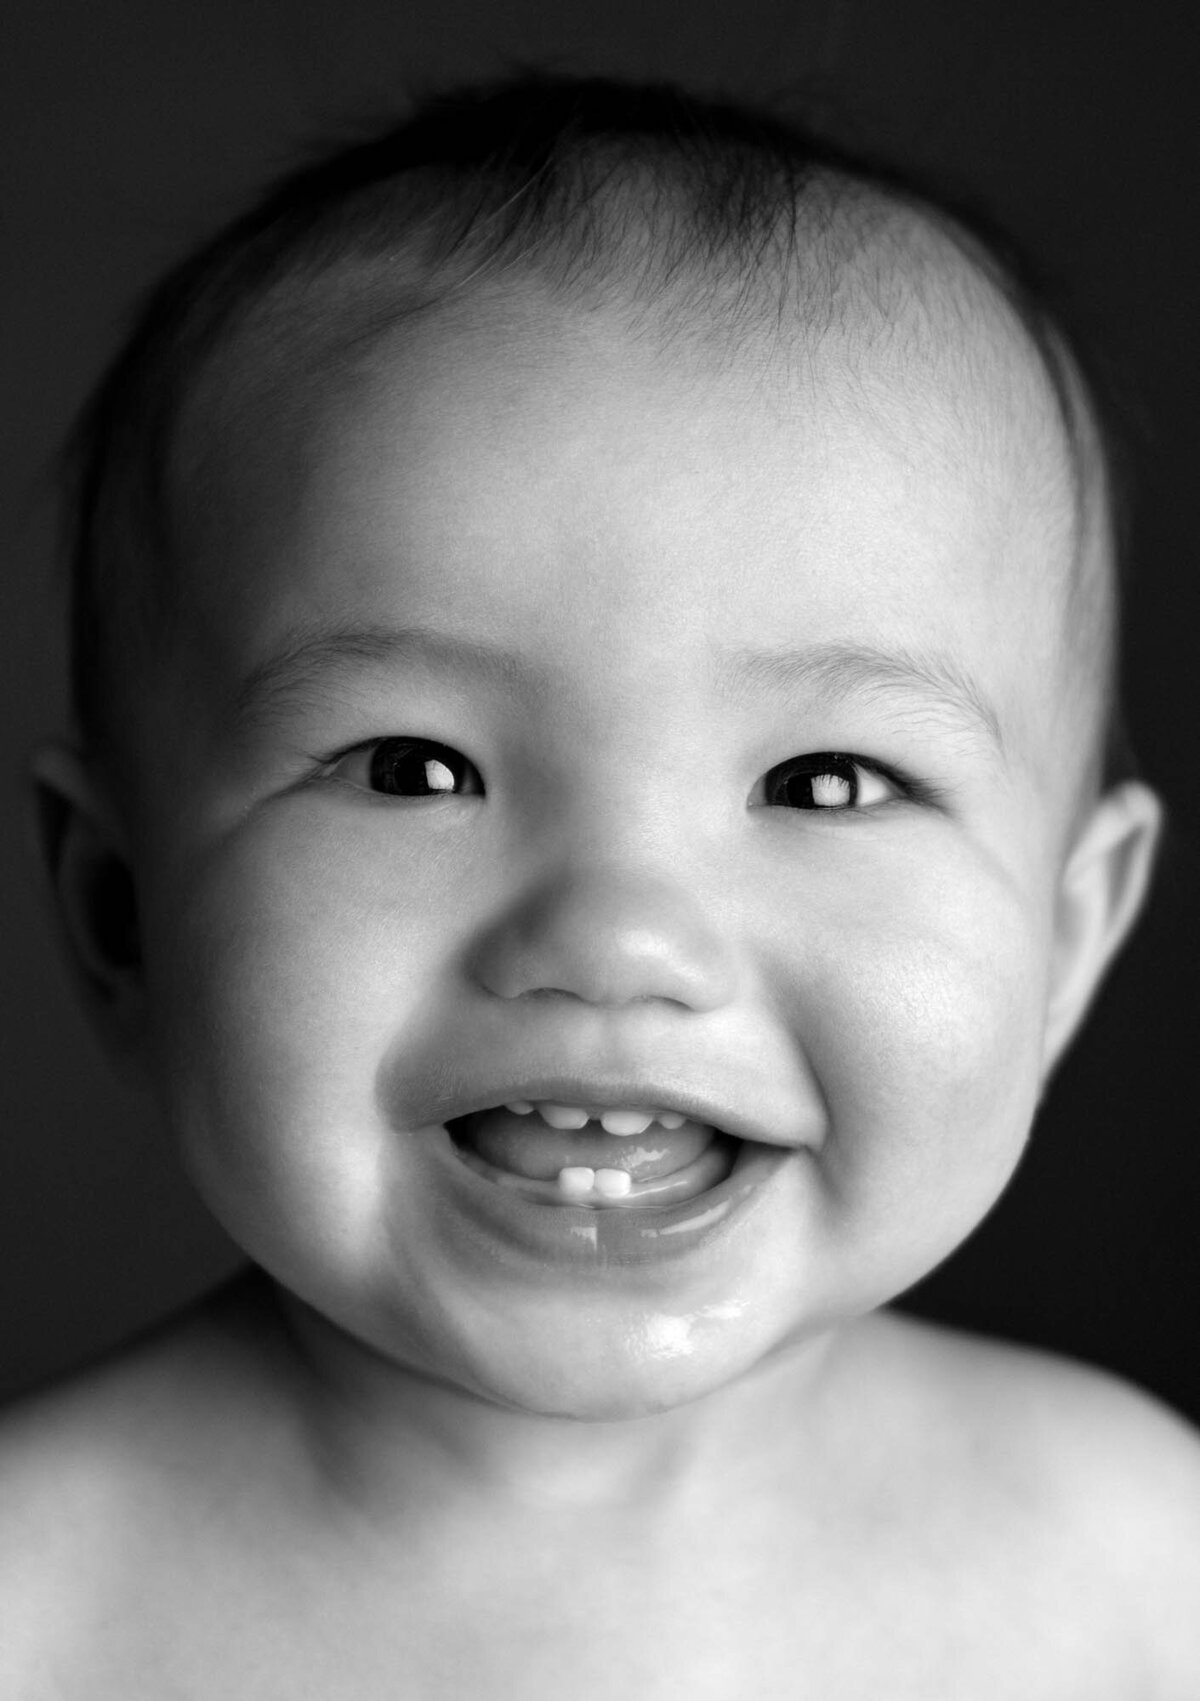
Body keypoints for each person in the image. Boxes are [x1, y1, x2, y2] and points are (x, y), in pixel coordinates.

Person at [2, 71, 1197, 1696]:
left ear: (1066, 937)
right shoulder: (40, 1600)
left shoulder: (1139, 1559)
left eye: (827, 781)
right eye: (415, 769)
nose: (620, 935)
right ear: (116, 911)